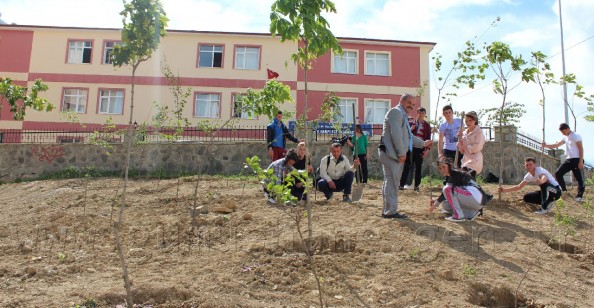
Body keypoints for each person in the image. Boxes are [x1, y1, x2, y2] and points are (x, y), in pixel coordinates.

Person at [378, 94, 432, 219]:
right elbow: (396, 134)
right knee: (392, 182)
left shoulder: (402, 115)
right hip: (391, 153)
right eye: (409, 103)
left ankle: (387, 210)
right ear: (401, 101)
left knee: (390, 181)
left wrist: (423, 143)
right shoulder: (396, 112)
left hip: (389, 152)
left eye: (413, 105)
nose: (411, 106)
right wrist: (401, 153)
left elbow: (409, 137)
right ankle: (390, 211)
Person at [542, 123, 585, 202]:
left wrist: (581, 161)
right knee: (558, 173)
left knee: (579, 178)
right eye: (562, 132)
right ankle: (564, 191)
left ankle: (579, 196)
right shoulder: (565, 137)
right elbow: (556, 145)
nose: (563, 133)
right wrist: (546, 145)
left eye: (564, 131)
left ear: (568, 128)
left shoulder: (576, 136)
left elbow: (581, 149)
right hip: (569, 159)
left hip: (577, 159)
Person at [400, 107, 432, 192]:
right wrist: (411, 129)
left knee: (418, 168)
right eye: (419, 112)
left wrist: (427, 150)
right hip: (410, 148)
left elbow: (429, 138)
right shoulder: (410, 123)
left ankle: (416, 186)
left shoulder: (427, 125)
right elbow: (405, 134)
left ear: (425, 114)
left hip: (420, 148)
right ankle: (401, 185)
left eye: (423, 113)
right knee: (407, 166)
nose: (421, 114)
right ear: (417, 113)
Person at [457, 111, 485, 178]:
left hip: (475, 160)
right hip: (466, 159)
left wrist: (465, 144)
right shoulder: (464, 133)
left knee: (467, 178)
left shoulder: (479, 133)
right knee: (465, 179)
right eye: (466, 121)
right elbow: (462, 151)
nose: (468, 123)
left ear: (475, 120)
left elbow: (475, 148)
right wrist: (460, 143)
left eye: (470, 120)